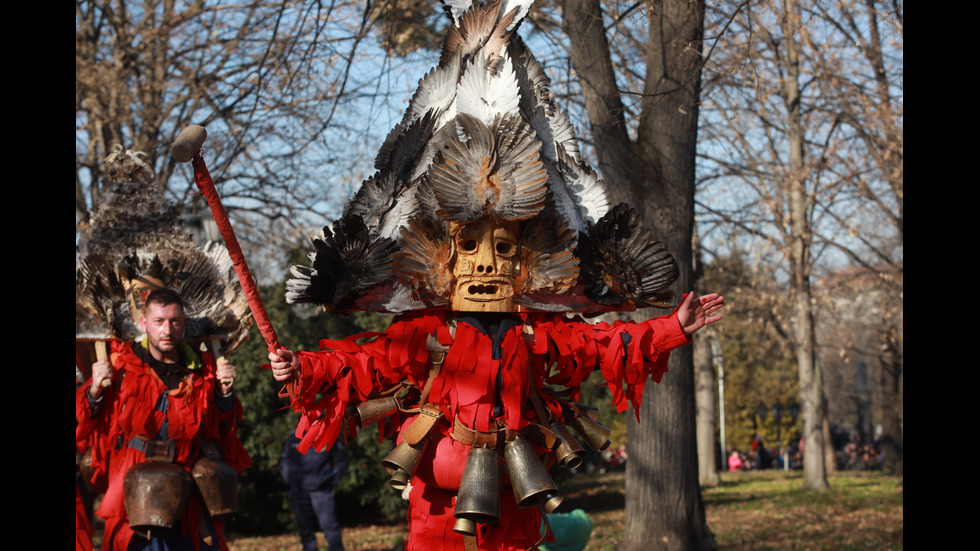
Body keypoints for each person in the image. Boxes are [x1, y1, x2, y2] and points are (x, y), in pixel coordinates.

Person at [76, 289, 251, 551]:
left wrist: (225, 394)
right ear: (144, 323)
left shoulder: (204, 369)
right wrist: (95, 391)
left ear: (184, 323)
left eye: (174, 321)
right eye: (159, 321)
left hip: (189, 490)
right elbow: (87, 424)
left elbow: (222, 429)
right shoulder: (121, 366)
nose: (167, 330)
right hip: (134, 494)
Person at [280, 432, 348, 551]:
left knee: (330, 527)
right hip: (299, 490)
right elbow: (285, 460)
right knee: (305, 529)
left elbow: (341, 461)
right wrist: (290, 479)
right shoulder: (294, 437)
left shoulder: (328, 435)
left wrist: (330, 479)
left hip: (322, 491)